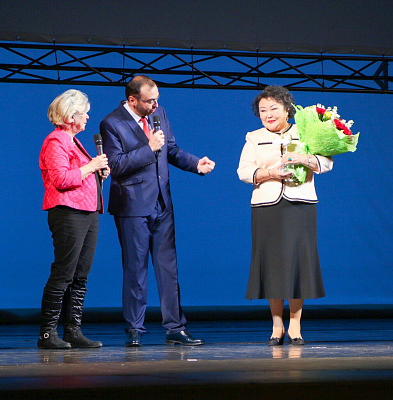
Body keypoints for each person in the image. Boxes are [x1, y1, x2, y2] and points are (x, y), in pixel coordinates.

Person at [100, 75, 215, 347]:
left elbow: (170, 150)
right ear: (132, 100)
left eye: (157, 100)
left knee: (168, 269)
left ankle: (176, 328)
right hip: (132, 206)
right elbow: (116, 165)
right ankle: (134, 329)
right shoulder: (112, 123)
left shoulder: (158, 114)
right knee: (135, 270)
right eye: (150, 101)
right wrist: (148, 148)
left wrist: (195, 164)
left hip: (162, 203)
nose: (155, 105)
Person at [238, 85, 333, 346]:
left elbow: (326, 163)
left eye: (273, 108)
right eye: (262, 110)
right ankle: (276, 324)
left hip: (300, 205)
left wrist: (303, 158)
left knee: (297, 265)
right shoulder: (254, 137)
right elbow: (244, 172)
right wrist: (271, 173)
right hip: (266, 207)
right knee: (272, 266)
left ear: (287, 110)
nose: (268, 114)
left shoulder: (306, 132)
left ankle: (295, 324)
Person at [38, 89, 110, 349]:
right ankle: (48, 334)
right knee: (64, 273)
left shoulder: (73, 141)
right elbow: (60, 179)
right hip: (68, 213)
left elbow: (78, 174)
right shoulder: (55, 141)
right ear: (70, 116)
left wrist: (97, 173)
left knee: (80, 275)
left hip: (87, 212)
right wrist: (91, 167)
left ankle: (72, 330)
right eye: (84, 113)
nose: (88, 117)